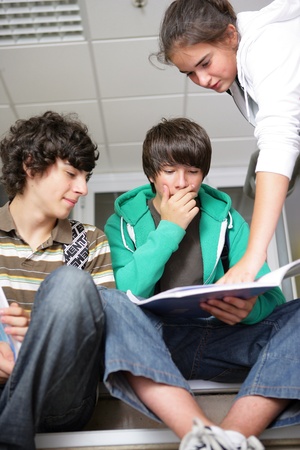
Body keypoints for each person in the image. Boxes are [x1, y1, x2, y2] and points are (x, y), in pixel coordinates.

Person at [0, 111, 230, 450]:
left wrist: (39, 336)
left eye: (86, 176)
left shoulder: (91, 242)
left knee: (72, 285)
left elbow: (111, 325)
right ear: (31, 165)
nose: (82, 188)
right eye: (71, 174)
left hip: (62, 397)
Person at [105, 117, 300, 450]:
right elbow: (125, 293)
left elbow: (272, 298)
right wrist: (170, 228)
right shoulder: (120, 223)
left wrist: (249, 311)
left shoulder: (225, 218)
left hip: (221, 339)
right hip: (155, 343)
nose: (182, 183)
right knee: (105, 300)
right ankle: (198, 429)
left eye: (193, 171)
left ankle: (231, 437)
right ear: (152, 174)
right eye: (170, 171)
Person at [154, 0, 300, 285]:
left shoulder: (265, 44)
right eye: (190, 74)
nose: (202, 79)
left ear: (231, 35)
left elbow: (279, 138)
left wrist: (253, 258)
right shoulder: (236, 76)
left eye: (205, 63)